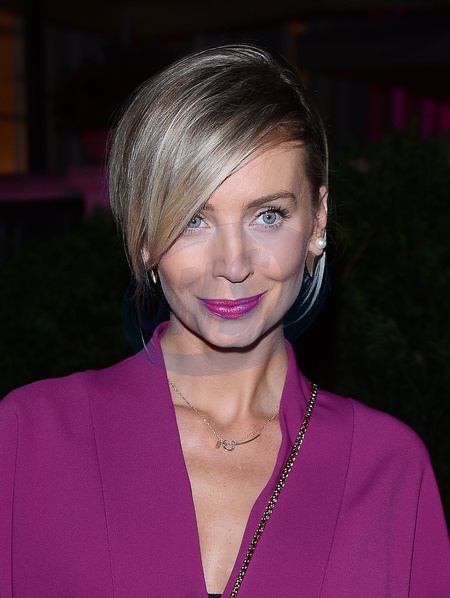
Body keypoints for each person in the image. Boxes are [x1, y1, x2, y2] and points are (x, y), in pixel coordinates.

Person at [0, 44, 449, 598]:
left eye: (268, 215)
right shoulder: (30, 439)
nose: (233, 265)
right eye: (194, 219)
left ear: (318, 219)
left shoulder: (389, 470)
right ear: (144, 235)